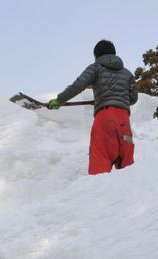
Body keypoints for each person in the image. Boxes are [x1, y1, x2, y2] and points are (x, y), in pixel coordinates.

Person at [49, 40, 138, 175]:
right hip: (124, 121)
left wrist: (59, 100)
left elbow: (78, 85)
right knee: (127, 164)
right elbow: (133, 98)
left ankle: (99, 194)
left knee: (100, 159)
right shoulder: (127, 74)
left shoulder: (95, 67)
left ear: (96, 55)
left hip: (105, 118)